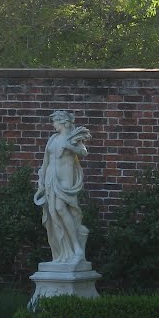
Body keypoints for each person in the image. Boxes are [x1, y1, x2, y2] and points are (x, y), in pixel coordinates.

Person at [34, 109, 91, 263]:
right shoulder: (53, 139)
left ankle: (76, 248)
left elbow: (83, 152)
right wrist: (41, 182)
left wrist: (70, 147)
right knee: (53, 212)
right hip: (50, 178)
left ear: (62, 122)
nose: (53, 124)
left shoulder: (73, 138)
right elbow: (45, 162)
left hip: (65, 180)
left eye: (54, 121)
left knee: (60, 208)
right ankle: (62, 252)